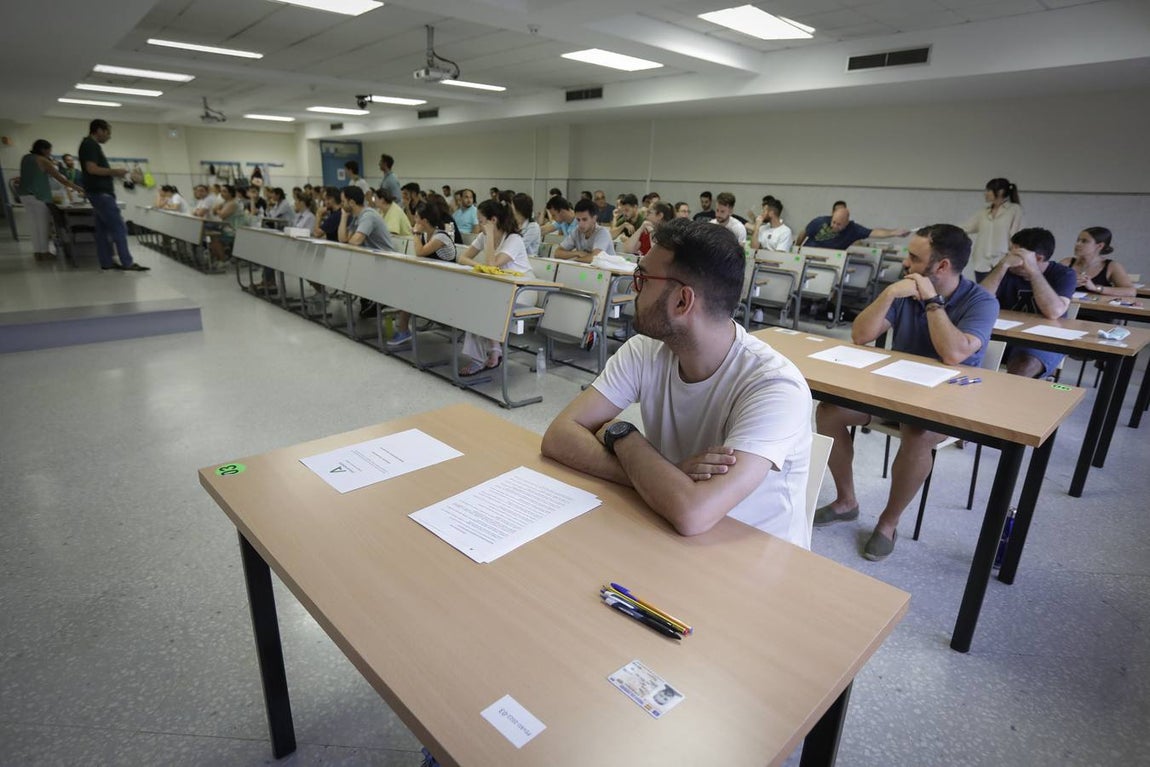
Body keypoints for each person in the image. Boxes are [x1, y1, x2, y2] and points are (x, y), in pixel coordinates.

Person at [541, 218, 814, 546]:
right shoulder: (645, 350)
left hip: (754, 560)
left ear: (683, 301)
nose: (633, 287)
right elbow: (559, 436)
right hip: (664, 528)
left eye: (642, 278)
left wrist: (623, 436)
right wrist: (660, 477)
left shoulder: (774, 386)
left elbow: (693, 513)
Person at [813, 224, 997, 561]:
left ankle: (887, 523)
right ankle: (846, 501)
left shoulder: (980, 301)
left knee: (918, 432)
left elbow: (954, 353)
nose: (906, 263)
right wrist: (888, 296)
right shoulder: (903, 290)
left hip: (946, 402)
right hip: (892, 393)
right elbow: (860, 336)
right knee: (828, 412)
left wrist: (931, 301)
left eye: (914, 257)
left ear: (941, 266)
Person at [979, 227, 1076, 378]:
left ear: (1038, 258)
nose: (1009, 257)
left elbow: (1053, 312)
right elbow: (979, 301)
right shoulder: (1005, 270)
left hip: (1043, 340)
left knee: (1024, 365)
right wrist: (1002, 266)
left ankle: (1004, 400)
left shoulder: (1064, 274)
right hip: (1003, 334)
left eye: (1015, 254)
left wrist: (1033, 271)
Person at [455, 199, 534, 376]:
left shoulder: (514, 239)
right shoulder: (483, 237)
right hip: (501, 289)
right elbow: (463, 258)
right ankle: (494, 350)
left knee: (479, 305)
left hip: (523, 290)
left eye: (482, 221)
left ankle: (480, 358)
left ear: (493, 221)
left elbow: (492, 265)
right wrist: (479, 264)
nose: (479, 225)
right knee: (474, 302)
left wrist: (489, 235)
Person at [387, 198, 459, 350]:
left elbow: (420, 253)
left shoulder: (440, 237)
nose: (414, 220)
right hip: (434, 280)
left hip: (448, 284)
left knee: (408, 293)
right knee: (402, 287)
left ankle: (403, 330)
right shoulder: (428, 235)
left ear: (424, 221)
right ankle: (401, 327)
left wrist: (415, 233)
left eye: (417, 218)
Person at [78, 119, 149, 271]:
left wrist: (114, 174)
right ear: (98, 130)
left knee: (102, 230)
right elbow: (92, 169)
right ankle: (127, 262)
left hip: (97, 192)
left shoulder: (89, 145)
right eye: (107, 133)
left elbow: (94, 169)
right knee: (119, 228)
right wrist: (114, 171)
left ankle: (106, 262)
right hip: (101, 194)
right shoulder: (90, 145)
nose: (109, 137)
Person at [17, 139, 85, 260]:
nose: (50, 153)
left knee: (34, 225)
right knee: (43, 225)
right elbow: (61, 179)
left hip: (24, 195)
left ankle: (37, 253)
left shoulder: (26, 158)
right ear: (44, 150)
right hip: (38, 196)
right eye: (49, 150)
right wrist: (79, 188)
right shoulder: (43, 160)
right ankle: (44, 252)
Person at [964, 178, 1024, 281]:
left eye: (988, 190)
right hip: (981, 262)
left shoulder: (1014, 210)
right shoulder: (983, 212)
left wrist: (1013, 256)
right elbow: (967, 227)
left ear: (1000, 192)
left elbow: (1017, 235)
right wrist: (945, 230)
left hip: (1002, 261)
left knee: (1002, 295)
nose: (985, 194)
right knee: (983, 294)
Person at [1060, 227, 1136, 299]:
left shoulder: (1112, 266)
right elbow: (1049, 283)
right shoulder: (1066, 262)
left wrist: (1095, 288)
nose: (1078, 244)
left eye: (1084, 241)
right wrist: (1068, 284)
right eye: (1078, 240)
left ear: (1099, 246)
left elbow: (1131, 291)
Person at [796, 204, 909, 250]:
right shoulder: (819, 221)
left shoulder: (853, 229)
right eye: (833, 222)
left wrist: (894, 232)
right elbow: (804, 233)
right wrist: (797, 248)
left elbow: (874, 232)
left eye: (839, 224)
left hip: (832, 260)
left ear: (846, 223)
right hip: (809, 253)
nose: (835, 226)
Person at [338, 185, 394, 251]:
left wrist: (349, 240)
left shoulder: (368, 216)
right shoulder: (356, 217)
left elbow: (355, 242)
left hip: (386, 258)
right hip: (374, 257)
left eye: (343, 201)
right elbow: (343, 240)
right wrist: (344, 216)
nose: (341, 205)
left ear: (352, 203)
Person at [207, 185, 248, 263]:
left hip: (234, 229)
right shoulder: (226, 202)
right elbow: (213, 211)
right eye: (221, 191)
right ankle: (218, 258)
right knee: (212, 236)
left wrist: (218, 210)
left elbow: (222, 215)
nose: (221, 193)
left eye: (224, 191)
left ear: (231, 193)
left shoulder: (233, 203)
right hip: (227, 227)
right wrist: (219, 210)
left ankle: (222, 260)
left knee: (216, 238)